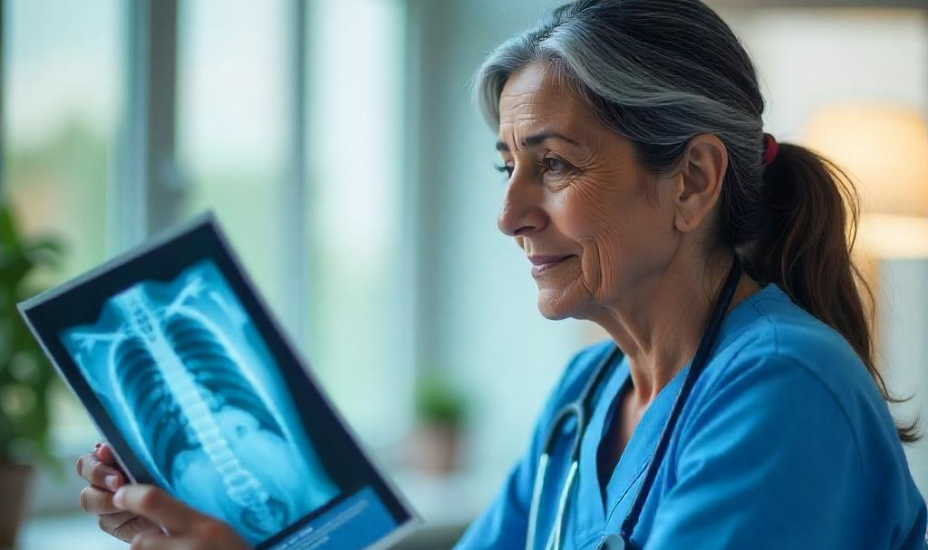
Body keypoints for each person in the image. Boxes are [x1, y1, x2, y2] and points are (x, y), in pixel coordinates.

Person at [76, 0, 927, 548]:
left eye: (553, 166)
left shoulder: (782, 389)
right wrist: (217, 531)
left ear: (694, 180)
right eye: (506, 168)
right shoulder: (585, 399)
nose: (510, 214)